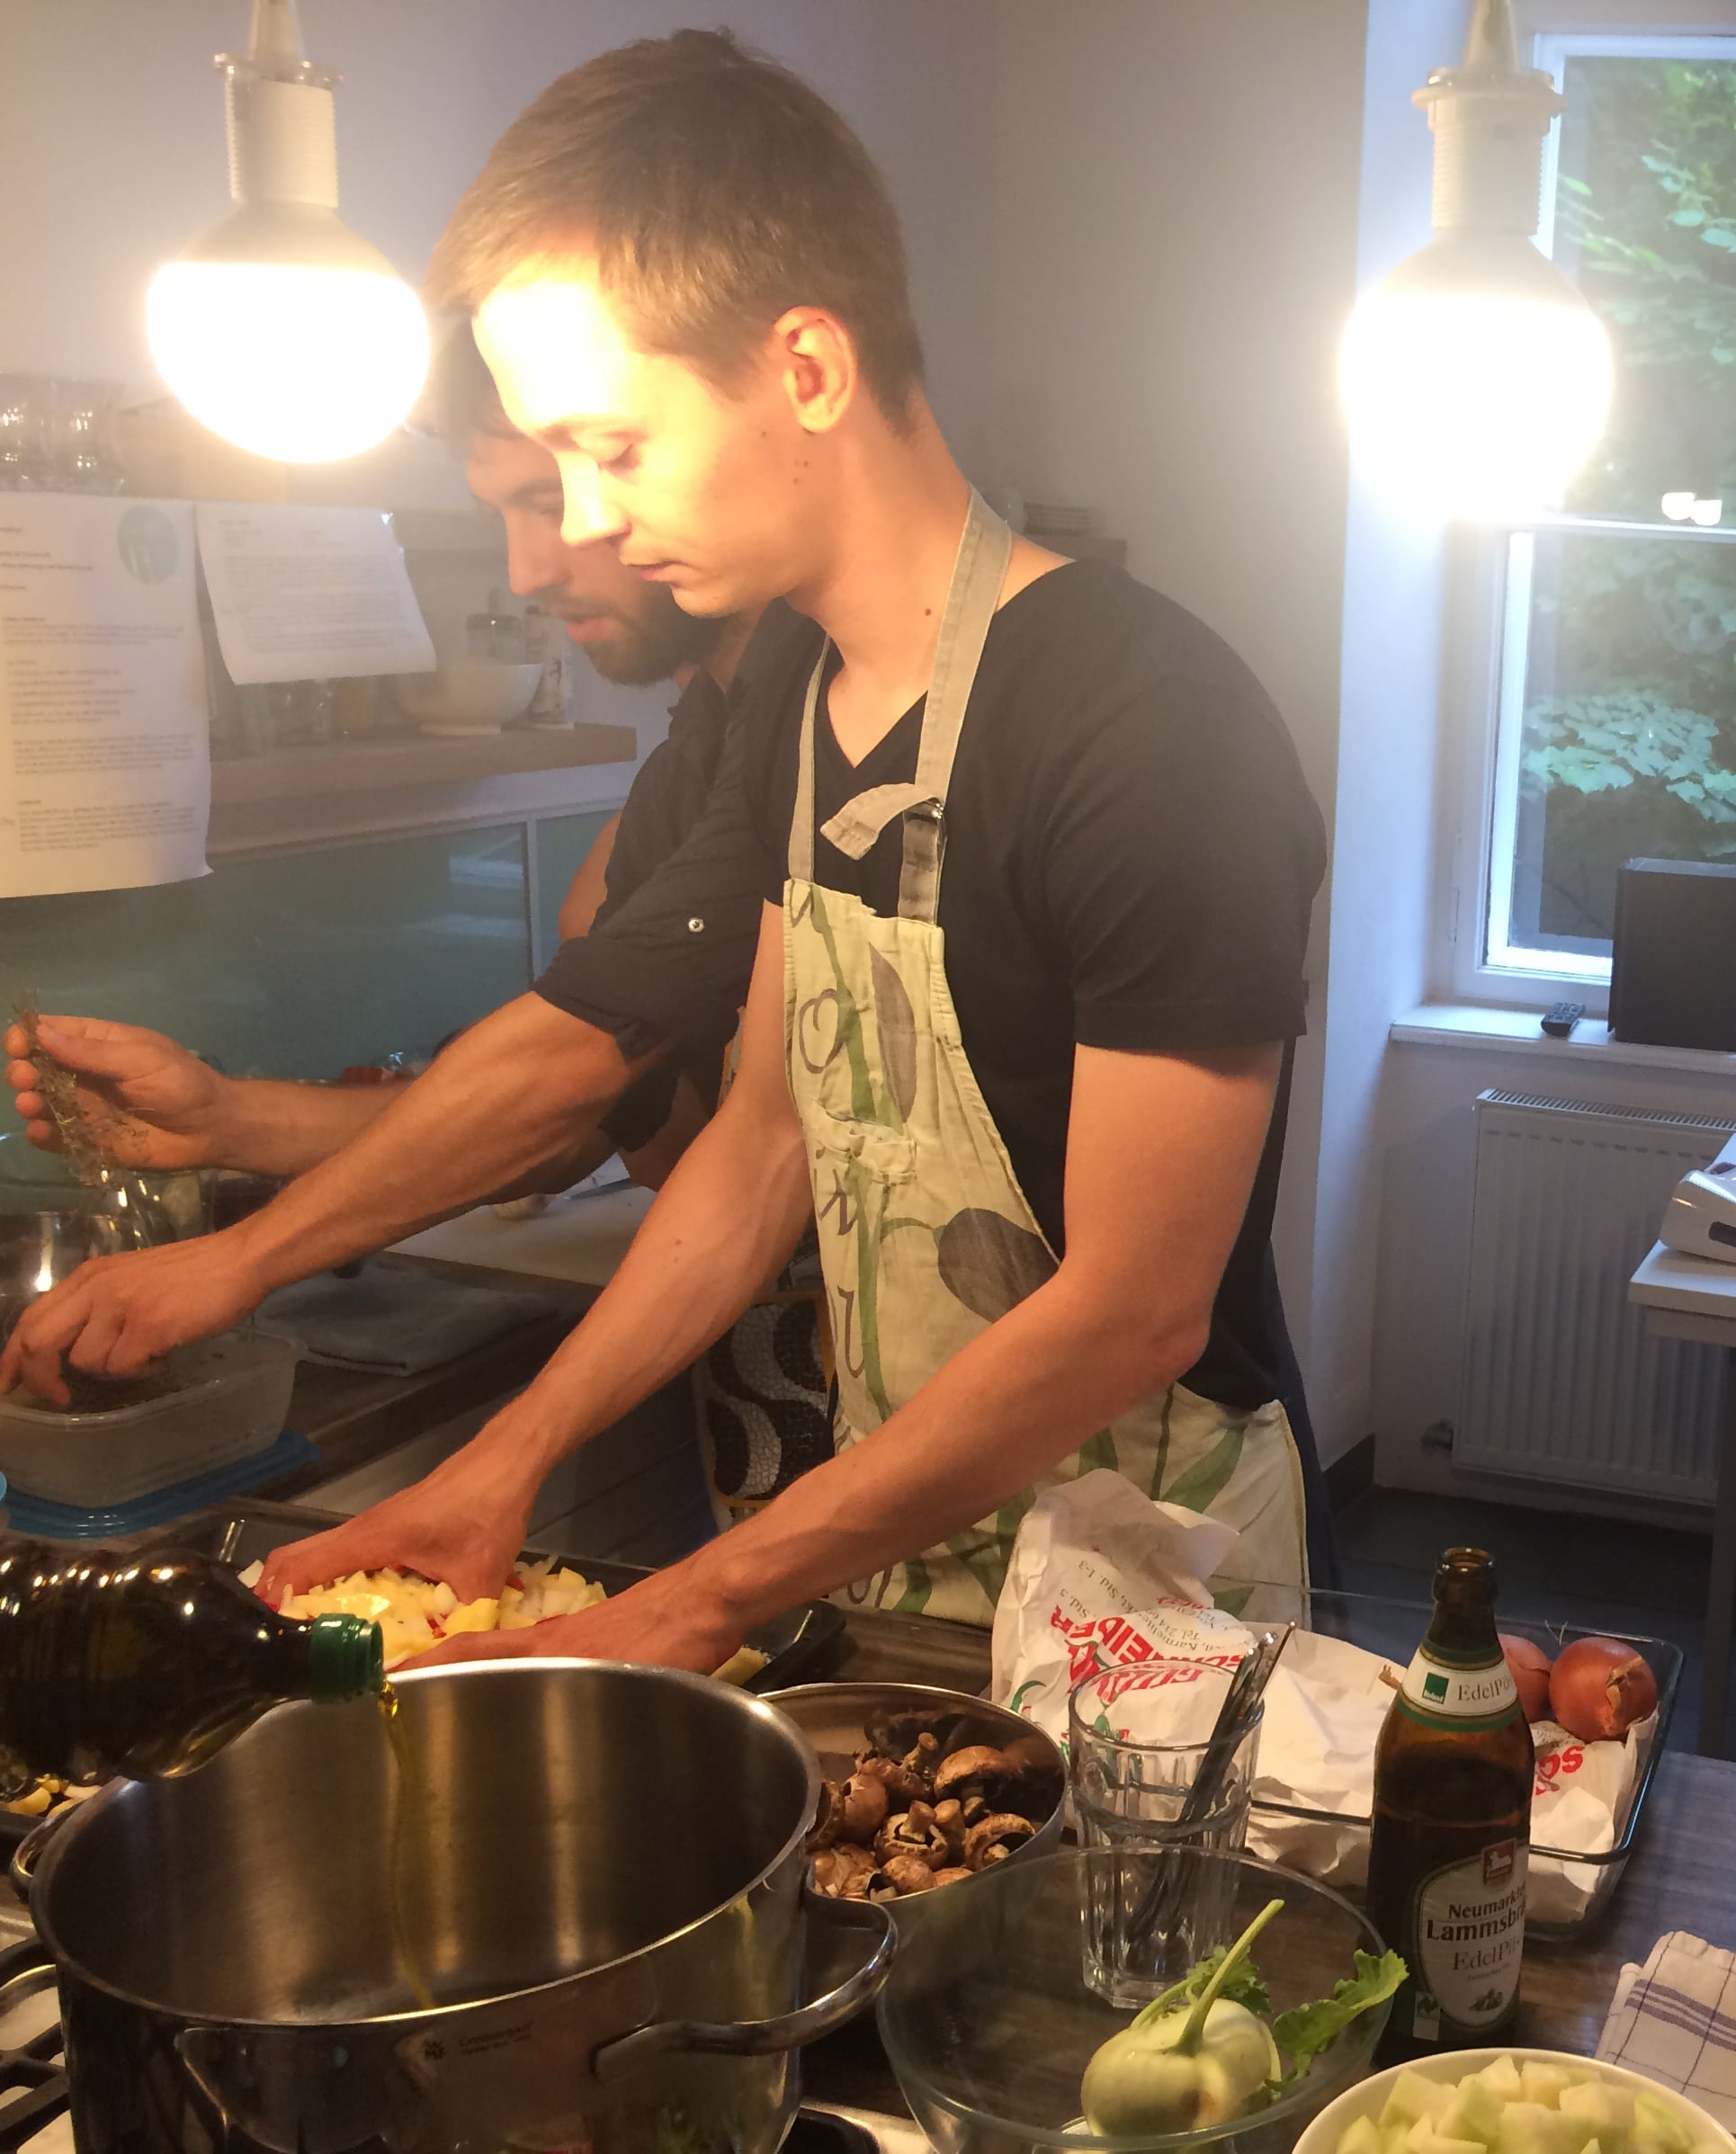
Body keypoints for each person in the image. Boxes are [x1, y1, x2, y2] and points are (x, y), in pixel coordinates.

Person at [231, 31, 1326, 1643]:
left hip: (1159, 1601)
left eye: (613, 446)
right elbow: (760, 1145)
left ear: (806, 367)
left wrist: (704, 1596)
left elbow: (1134, 1309)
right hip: (901, 1557)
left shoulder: (1152, 726)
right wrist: (502, 1463)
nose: (581, 521)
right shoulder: (793, 695)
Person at [0, 333, 800, 1290]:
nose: (526, 572)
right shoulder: (695, 758)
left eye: (549, 502)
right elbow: (573, 1126)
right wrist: (223, 1116)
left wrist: (234, 1263)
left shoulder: (832, 727)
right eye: (502, 513)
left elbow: (570, 1083)